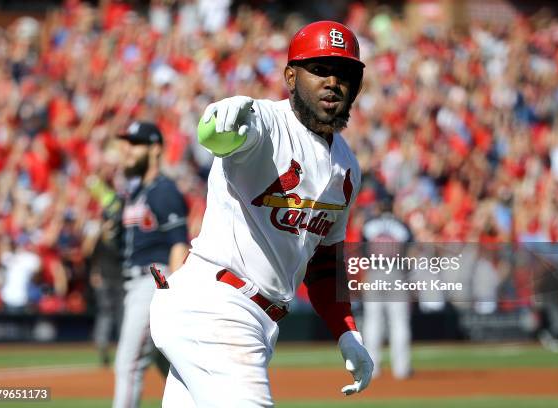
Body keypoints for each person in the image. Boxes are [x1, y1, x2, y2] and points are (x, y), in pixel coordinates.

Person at [150, 21, 374, 407]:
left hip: (252, 320)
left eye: (344, 72)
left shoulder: (348, 167)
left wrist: (346, 331)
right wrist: (217, 122)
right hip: (217, 306)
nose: (333, 81)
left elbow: (323, 263)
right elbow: (222, 135)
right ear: (290, 75)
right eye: (319, 69)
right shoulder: (267, 123)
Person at [113, 121, 190, 408]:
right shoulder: (136, 192)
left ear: (155, 149)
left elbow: (179, 243)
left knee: (128, 363)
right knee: (172, 367)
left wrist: (170, 293)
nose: (127, 149)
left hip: (154, 278)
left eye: (135, 143)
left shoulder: (163, 190)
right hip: (135, 282)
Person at [361, 196, 414, 380]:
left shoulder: (369, 224)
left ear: (379, 206)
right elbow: (411, 253)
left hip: (375, 272)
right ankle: (402, 369)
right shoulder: (402, 225)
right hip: (396, 273)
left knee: (372, 321)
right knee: (399, 322)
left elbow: (362, 252)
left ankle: (372, 369)